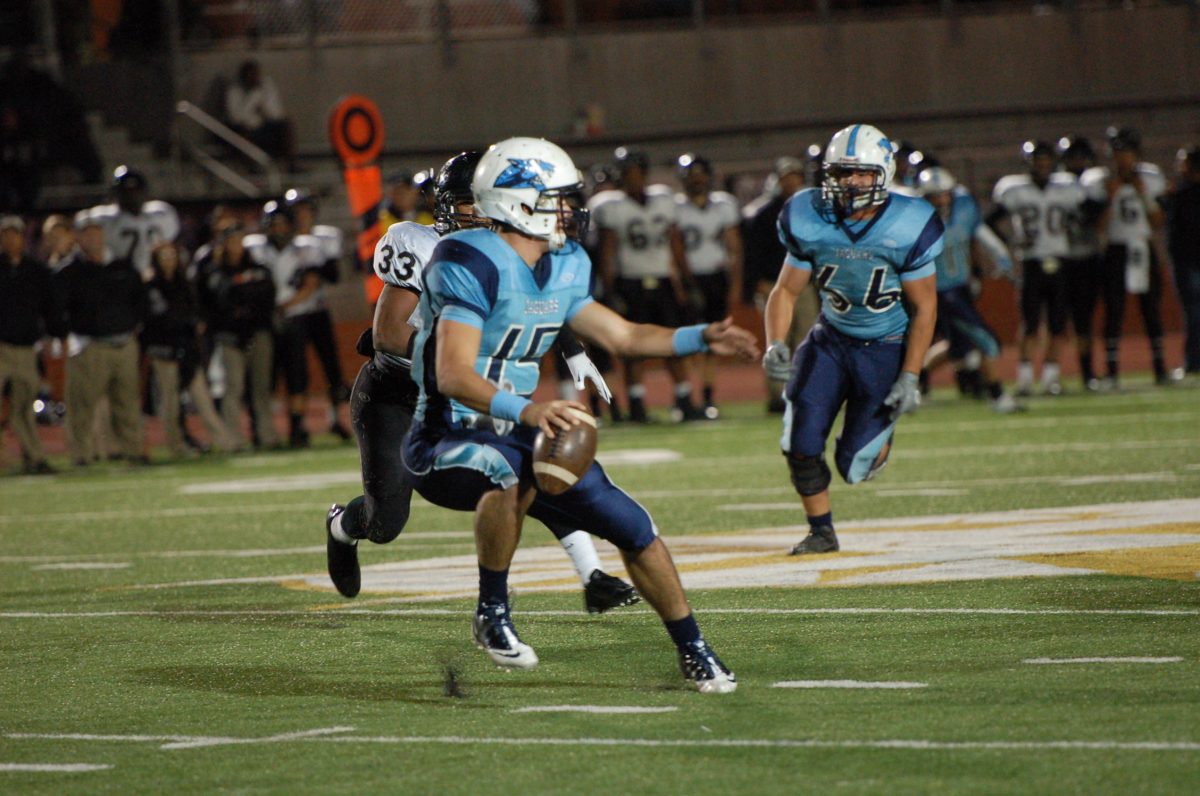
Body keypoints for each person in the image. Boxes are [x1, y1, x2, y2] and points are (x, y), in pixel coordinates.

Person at [402, 137, 758, 691]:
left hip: (525, 431)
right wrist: (530, 410)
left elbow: (625, 335)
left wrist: (700, 336)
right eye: (556, 199)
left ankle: (694, 648)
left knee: (635, 526)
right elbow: (452, 374)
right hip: (446, 432)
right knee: (504, 471)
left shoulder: (565, 261)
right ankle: (492, 611)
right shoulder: (467, 257)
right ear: (517, 202)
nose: (569, 210)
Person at [325, 151, 637, 614]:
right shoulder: (419, 243)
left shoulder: (507, 251)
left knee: (533, 465)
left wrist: (572, 350)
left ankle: (593, 575)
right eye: (473, 202)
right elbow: (389, 334)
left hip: (464, 390)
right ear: (450, 205)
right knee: (385, 520)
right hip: (395, 396)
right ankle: (340, 527)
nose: (484, 213)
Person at [763, 124, 942, 555]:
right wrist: (775, 342)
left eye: (861, 174)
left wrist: (911, 375)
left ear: (883, 173)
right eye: (843, 173)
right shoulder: (809, 216)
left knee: (853, 467)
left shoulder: (909, 222)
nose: (851, 183)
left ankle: (879, 433)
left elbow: (925, 308)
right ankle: (821, 530)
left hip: (886, 347)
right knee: (799, 442)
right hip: (831, 338)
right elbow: (785, 290)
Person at [593, 147, 701, 422]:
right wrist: (610, 289)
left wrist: (687, 282)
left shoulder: (664, 199)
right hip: (630, 282)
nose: (633, 179)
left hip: (662, 280)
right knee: (633, 347)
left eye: (637, 173)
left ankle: (684, 398)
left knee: (672, 343)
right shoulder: (611, 205)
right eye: (628, 174)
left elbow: (676, 245)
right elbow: (607, 252)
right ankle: (637, 403)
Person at [916, 168, 1020, 413]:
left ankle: (910, 382)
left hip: (960, 286)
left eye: (944, 194)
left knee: (957, 347)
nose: (941, 200)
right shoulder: (916, 219)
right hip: (936, 290)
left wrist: (1001, 255)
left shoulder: (964, 207)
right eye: (934, 196)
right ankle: (998, 395)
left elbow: (979, 232)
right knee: (984, 339)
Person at [990, 141, 1083, 396]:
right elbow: (991, 220)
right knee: (1030, 324)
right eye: (1037, 161)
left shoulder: (1065, 187)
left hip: (1060, 260)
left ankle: (1051, 378)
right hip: (1031, 262)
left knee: (1057, 324)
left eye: (1045, 161)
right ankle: (1025, 378)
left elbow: (1084, 215)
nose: (1041, 166)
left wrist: (1073, 229)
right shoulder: (1015, 189)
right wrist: (1011, 242)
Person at [55, 211, 147, 466]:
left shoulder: (122, 267)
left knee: (127, 404)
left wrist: (134, 326)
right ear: (78, 237)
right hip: (90, 345)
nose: (93, 237)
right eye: (87, 233)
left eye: (96, 232)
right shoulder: (69, 272)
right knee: (82, 406)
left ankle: (133, 452)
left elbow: (140, 300)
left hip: (124, 343)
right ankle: (81, 455)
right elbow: (57, 310)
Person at [1081, 127, 1170, 386]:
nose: (1122, 158)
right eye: (1118, 152)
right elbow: (1098, 226)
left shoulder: (1151, 178)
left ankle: (1160, 369)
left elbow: (1157, 221)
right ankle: (1112, 371)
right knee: (1113, 312)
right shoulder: (1099, 180)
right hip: (1116, 249)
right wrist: (1110, 197)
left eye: (1127, 152)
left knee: (1151, 310)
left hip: (1142, 246)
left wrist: (1142, 194)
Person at [246, 200, 329, 447]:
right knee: (264, 378)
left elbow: (311, 284)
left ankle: (296, 428)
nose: (278, 229)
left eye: (282, 223)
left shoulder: (306, 248)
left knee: (297, 376)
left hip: (295, 318)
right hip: (264, 321)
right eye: (273, 224)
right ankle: (263, 428)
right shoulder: (254, 249)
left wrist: (283, 306)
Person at [742, 155, 820, 413]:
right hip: (774, 285)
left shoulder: (810, 210)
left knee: (807, 338)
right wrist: (757, 283)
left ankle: (803, 390)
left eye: (795, 175)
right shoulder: (763, 213)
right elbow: (752, 254)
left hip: (805, 285)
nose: (791, 181)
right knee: (778, 339)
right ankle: (777, 396)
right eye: (787, 176)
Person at [674, 153, 743, 419]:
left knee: (713, 341)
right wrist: (681, 283)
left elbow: (734, 248)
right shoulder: (675, 208)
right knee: (690, 342)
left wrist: (735, 284)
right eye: (693, 176)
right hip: (691, 279)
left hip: (716, 278)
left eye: (701, 175)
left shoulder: (723, 205)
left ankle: (707, 396)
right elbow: (674, 248)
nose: (697, 180)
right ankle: (688, 397)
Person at [204, 222, 279, 449]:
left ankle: (266, 435)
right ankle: (233, 439)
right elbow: (218, 301)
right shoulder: (215, 271)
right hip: (230, 337)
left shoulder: (258, 267)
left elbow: (267, 295)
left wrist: (242, 297)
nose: (236, 245)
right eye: (232, 241)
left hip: (258, 332)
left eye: (239, 240)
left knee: (261, 387)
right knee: (233, 387)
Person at [285, 188, 352, 440]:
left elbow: (333, 275)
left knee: (332, 368)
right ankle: (296, 426)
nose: (302, 216)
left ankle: (336, 418)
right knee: (295, 370)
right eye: (297, 212)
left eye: (305, 211)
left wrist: (313, 266)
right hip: (292, 313)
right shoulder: (281, 240)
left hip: (317, 310)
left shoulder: (324, 239)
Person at [0, 215, 60, 473]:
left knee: (24, 408)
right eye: (6, 234)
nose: (11, 239)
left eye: (15, 234)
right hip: (0, 347)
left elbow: (49, 308)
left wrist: (50, 337)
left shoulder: (36, 271)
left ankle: (34, 457)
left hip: (25, 348)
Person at [1057, 136, 1105, 390]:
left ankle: (1087, 372)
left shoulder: (1095, 184)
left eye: (1081, 157)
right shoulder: (1054, 186)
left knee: (1084, 320)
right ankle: (1051, 374)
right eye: (1072, 157)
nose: (1077, 163)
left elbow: (1098, 215)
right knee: (1055, 322)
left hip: (1087, 258)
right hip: (1060, 260)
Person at [88, 166, 181, 278]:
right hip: (117, 276)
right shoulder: (100, 218)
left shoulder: (162, 213)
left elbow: (171, 250)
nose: (132, 197)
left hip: (155, 276)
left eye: (136, 192)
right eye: (127, 193)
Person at [1164, 146, 1200, 374]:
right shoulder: (1178, 193)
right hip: (1187, 261)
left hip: (1187, 261)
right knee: (1194, 313)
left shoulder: (1180, 195)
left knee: (1194, 313)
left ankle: (1194, 362)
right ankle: (1193, 361)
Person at [224, 59, 297, 172]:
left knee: (286, 126)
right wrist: (254, 98)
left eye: (256, 74)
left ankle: (291, 165)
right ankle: (252, 169)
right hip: (247, 130)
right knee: (243, 133)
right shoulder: (234, 91)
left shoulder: (266, 86)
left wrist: (263, 109)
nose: (254, 78)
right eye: (250, 75)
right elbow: (236, 118)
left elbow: (277, 113)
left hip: (265, 127)